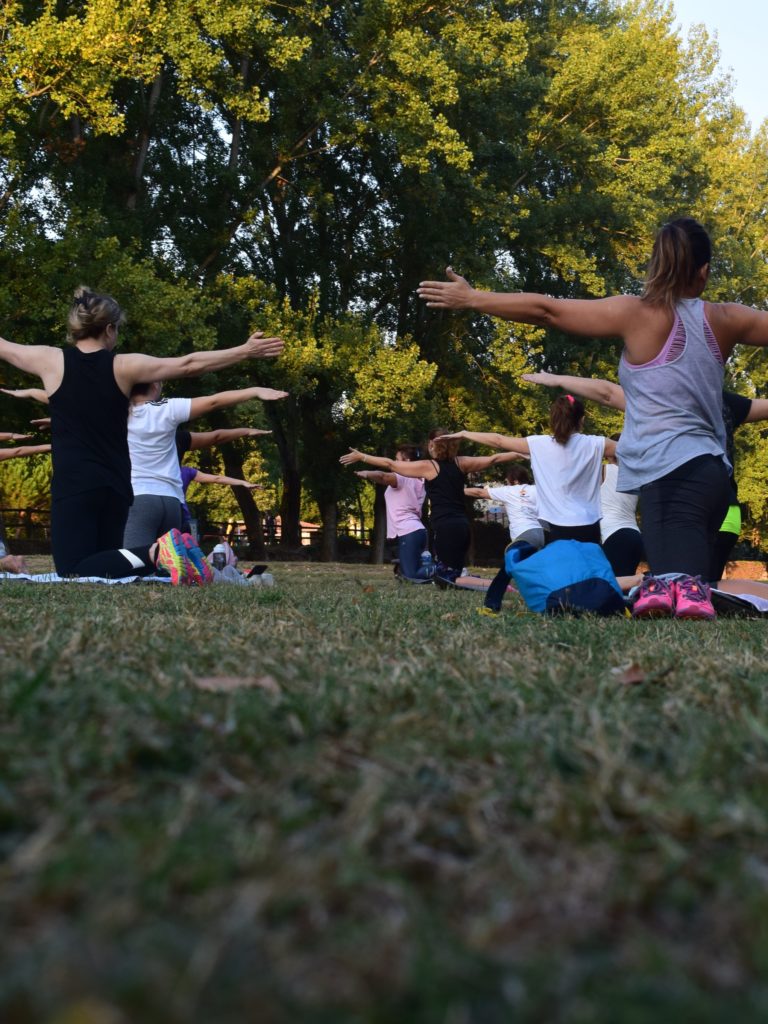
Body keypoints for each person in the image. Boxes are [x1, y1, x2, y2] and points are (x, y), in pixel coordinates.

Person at [418, 217, 768, 619]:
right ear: (703, 272)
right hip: (710, 477)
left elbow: (547, 311)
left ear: (657, 265)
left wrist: (474, 298)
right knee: (684, 586)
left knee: (685, 590)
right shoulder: (726, 318)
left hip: (673, 477)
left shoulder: (636, 314)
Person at [0, 285, 283, 582]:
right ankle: (169, 557)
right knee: (108, 570)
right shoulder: (124, 366)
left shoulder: (49, 360)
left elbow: (4, 346)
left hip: (76, 484)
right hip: (118, 486)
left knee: (72, 569)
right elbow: (189, 365)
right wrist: (244, 351)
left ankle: (157, 552)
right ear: (109, 329)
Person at [523, 370, 767, 579]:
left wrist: (556, 379)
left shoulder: (664, 401)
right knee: (706, 581)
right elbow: (761, 407)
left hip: (680, 505)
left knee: (678, 580)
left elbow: (607, 393)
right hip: (727, 508)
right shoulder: (724, 401)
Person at [340, 428, 524, 584]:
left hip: (445, 527)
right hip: (463, 526)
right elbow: (494, 459)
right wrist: (520, 452)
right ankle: (486, 583)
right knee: (454, 575)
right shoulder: (462, 463)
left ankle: (492, 585)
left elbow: (390, 464)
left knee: (447, 578)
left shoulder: (429, 467)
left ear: (432, 445)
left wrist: (362, 456)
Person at [124, 381, 286, 548]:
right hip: (172, 501)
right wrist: (254, 391)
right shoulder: (168, 411)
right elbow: (213, 407)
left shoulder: (115, 414)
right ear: (156, 385)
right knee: (167, 567)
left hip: (138, 498)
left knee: (134, 562)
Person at [446, 396, 616, 546]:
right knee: (588, 574)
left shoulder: (538, 444)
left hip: (556, 526)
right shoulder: (597, 444)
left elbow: (498, 440)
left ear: (554, 419)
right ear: (582, 420)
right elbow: (632, 451)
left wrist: (464, 433)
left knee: (562, 576)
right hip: (589, 523)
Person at [465, 463, 543, 614]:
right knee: (535, 571)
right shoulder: (536, 490)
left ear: (513, 480)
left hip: (524, 536)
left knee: (505, 571)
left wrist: (454, 490)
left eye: (508, 480)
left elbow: (480, 493)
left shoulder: (509, 490)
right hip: (540, 534)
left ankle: (491, 606)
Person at [354, 443, 432, 582]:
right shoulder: (421, 479)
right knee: (407, 571)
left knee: (411, 575)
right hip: (416, 531)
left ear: (407, 462)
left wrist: (367, 473)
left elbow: (383, 476)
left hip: (409, 531)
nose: (395, 463)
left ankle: (444, 569)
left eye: (397, 459)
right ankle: (431, 567)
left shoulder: (403, 477)